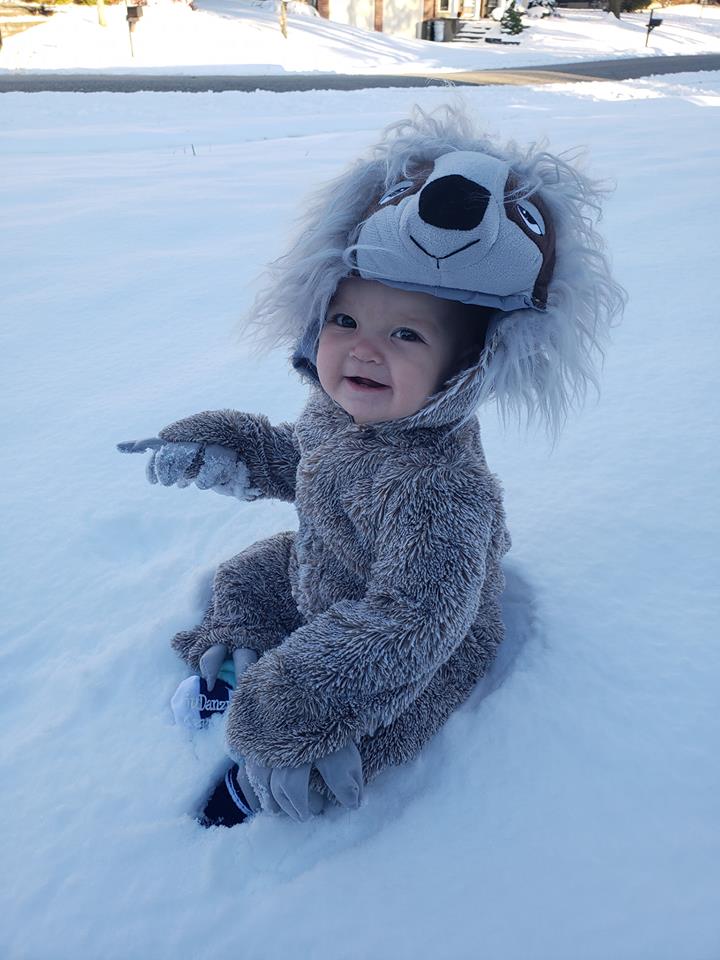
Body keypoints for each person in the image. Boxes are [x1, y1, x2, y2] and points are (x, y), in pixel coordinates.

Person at [119, 105, 625, 827]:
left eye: (406, 334)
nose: (363, 349)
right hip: (336, 566)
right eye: (346, 322)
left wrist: (294, 702)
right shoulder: (343, 414)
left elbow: (412, 621)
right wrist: (226, 445)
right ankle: (234, 662)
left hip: (432, 630)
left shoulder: (438, 489)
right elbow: (303, 463)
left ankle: (291, 768)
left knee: (386, 706)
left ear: (464, 369)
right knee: (248, 576)